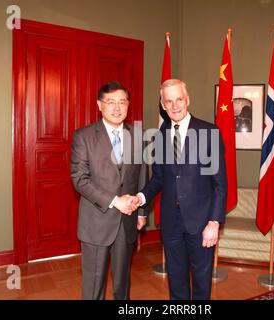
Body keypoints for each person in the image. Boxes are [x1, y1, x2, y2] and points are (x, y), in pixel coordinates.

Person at [134, 79, 227, 300]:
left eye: (179, 99)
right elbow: (158, 179)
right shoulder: (159, 138)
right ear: (163, 105)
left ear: (187, 100)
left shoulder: (209, 132)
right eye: (169, 101)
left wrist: (214, 222)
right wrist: (140, 198)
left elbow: (220, 184)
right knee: (176, 284)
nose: (175, 105)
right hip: (171, 224)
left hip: (202, 223)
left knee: (202, 286)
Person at [70, 81, 148, 300]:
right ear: (99, 105)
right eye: (110, 102)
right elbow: (79, 179)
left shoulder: (138, 136)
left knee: (122, 284)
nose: (117, 107)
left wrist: (141, 211)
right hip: (96, 222)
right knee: (94, 285)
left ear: (128, 105)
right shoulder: (83, 136)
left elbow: (142, 174)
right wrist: (115, 200)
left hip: (127, 221)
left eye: (122, 102)